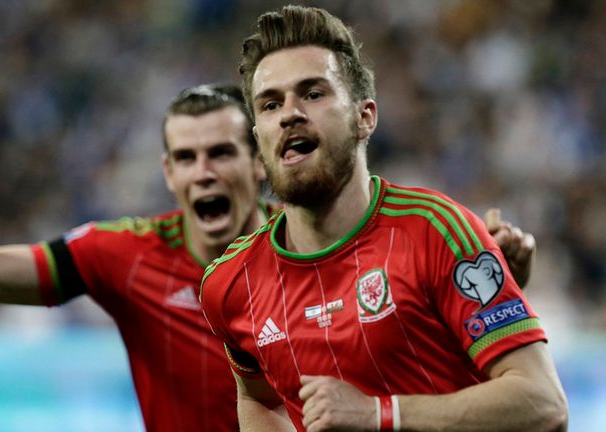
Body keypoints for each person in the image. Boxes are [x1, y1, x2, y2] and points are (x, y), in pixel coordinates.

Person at [0, 84, 534, 430]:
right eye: (186, 159)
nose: (203, 172)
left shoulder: (323, 250)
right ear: (166, 172)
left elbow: (407, 356)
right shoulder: (122, 254)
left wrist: (489, 286)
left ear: (259, 160)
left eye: (221, 153)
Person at [200, 6, 567, 432]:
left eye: (313, 94)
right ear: (258, 139)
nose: (289, 113)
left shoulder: (437, 230)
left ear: (364, 117)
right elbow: (257, 398)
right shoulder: (229, 284)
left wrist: (378, 414)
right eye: (270, 104)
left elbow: (543, 403)